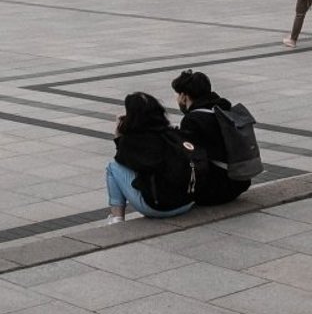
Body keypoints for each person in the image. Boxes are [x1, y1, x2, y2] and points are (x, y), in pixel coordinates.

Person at [103, 92, 196, 224]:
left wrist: (119, 137)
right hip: (187, 202)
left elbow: (123, 161)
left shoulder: (136, 140)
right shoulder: (171, 135)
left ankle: (117, 217)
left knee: (113, 167)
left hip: (159, 207)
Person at [171, 70, 254, 206]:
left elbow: (188, 157)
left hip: (215, 190)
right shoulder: (223, 110)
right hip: (239, 182)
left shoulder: (192, 120)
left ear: (184, 96)